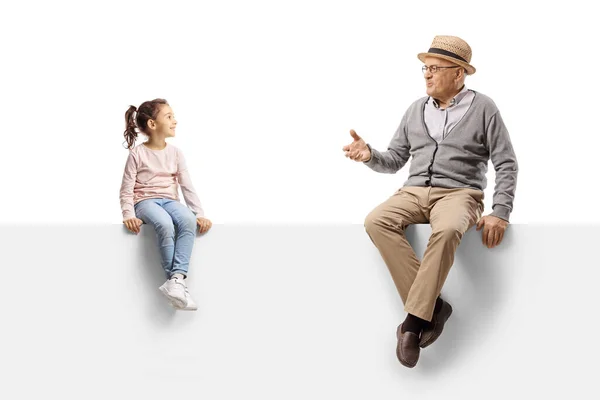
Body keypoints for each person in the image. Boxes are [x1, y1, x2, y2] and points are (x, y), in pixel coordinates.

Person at [343, 36, 518, 367]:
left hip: (460, 192)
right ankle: (434, 307)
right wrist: (370, 156)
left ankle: (412, 323)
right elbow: (395, 159)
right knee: (376, 220)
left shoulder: (484, 108)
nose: (427, 74)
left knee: (450, 227)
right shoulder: (415, 109)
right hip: (413, 191)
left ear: (459, 73)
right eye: (426, 68)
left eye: (435, 68)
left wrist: (501, 211)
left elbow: (506, 162)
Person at [119, 98, 212, 311]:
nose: (175, 121)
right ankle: (175, 282)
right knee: (165, 224)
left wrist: (198, 213)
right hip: (145, 202)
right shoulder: (137, 154)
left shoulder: (176, 153)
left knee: (187, 219)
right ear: (153, 124)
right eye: (169, 117)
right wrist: (128, 214)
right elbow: (126, 188)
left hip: (170, 200)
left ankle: (177, 279)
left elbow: (187, 186)